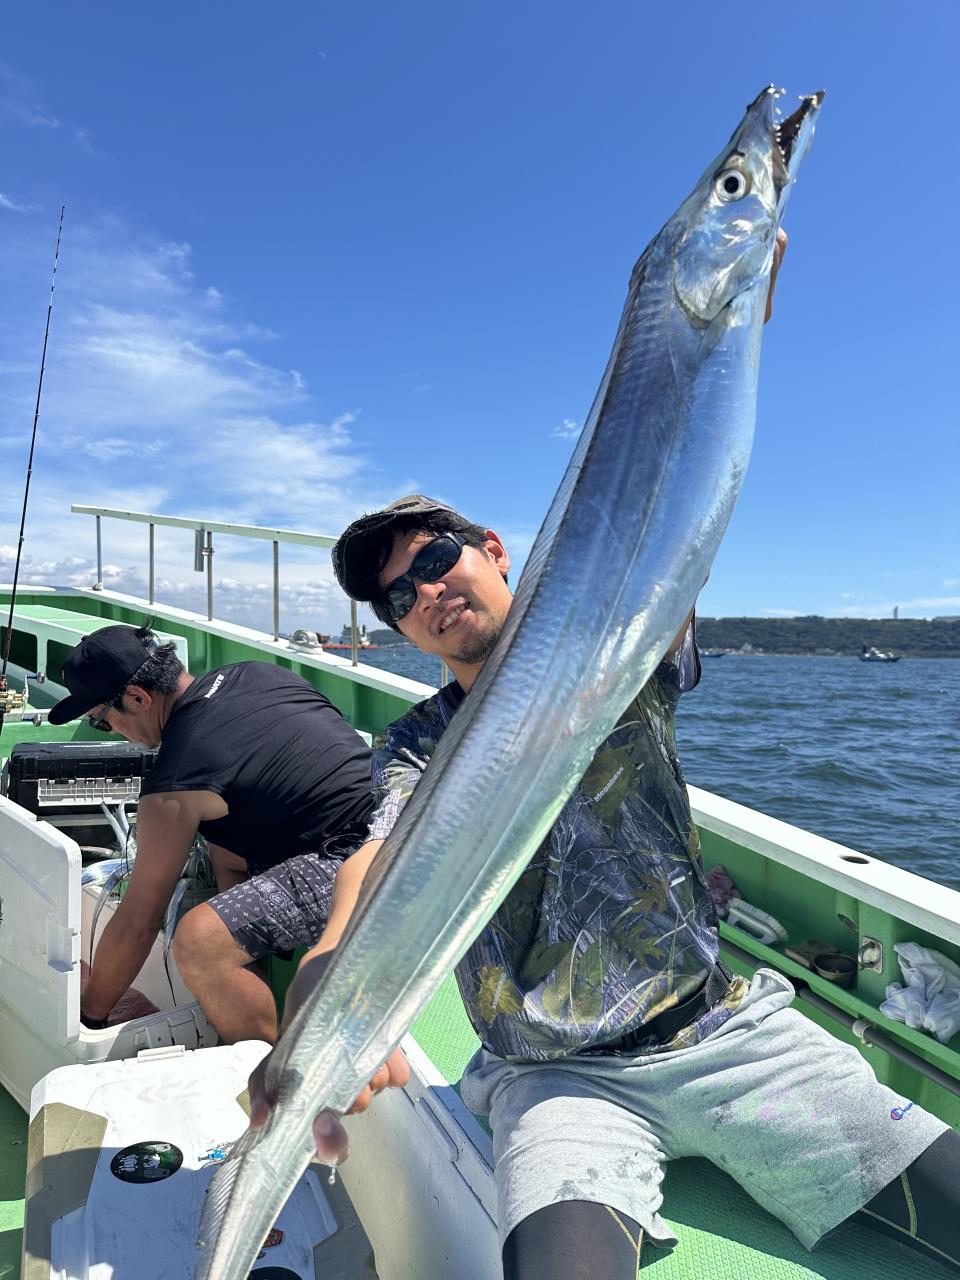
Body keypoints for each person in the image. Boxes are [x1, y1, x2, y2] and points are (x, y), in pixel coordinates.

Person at [249, 241, 960, 1276]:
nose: (427, 591)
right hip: (557, 1079)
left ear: (493, 550)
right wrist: (323, 988)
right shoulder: (415, 744)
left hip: (724, 1033)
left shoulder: (622, 649)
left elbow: (673, 502)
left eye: (436, 557)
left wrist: (729, 329)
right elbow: (378, 859)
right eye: (399, 596)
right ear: (399, 630)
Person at [48, 621, 374, 1043]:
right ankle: (246, 980)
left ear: (138, 698)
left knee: (200, 942)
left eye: (101, 722)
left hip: (358, 861)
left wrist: (89, 1019)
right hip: (402, 821)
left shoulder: (176, 781)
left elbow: (138, 923)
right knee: (224, 849)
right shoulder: (255, 672)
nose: (112, 733)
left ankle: (264, 1063)